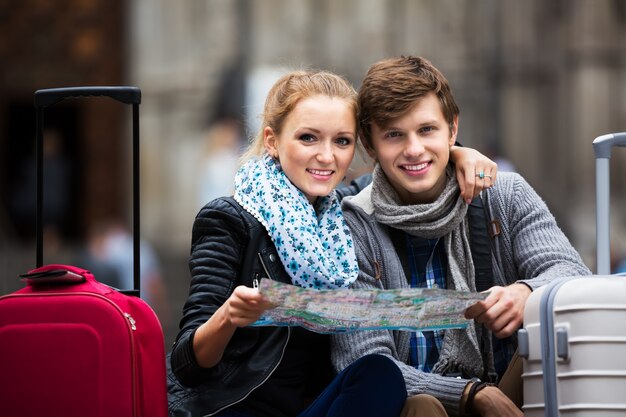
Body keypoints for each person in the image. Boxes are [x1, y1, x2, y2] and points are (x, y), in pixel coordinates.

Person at [167, 69, 498, 417]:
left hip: (316, 408)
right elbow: (187, 364)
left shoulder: (343, 213)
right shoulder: (229, 220)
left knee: (380, 374)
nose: (327, 156)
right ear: (272, 141)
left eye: (342, 141)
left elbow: (407, 170)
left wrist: (460, 154)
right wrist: (229, 318)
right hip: (238, 409)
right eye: (309, 138)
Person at [330, 56, 592, 417]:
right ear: (370, 144)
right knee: (424, 407)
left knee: (555, 327)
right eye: (394, 134)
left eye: (427, 130)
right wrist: (470, 394)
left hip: (509, 392)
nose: (414, 149)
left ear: (452, 130)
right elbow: (364, 360)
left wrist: (528, 293)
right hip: (417, 406)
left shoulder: (505, 194)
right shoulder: (353, 227)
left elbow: (576, 279)